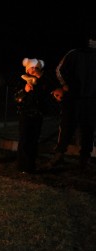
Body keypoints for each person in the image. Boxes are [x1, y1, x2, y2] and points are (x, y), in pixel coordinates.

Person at [48, 32, 96, 169]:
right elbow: (59, 70)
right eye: (91, 39)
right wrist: (64, 85)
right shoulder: (74, 53)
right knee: (67, 126)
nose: (92, 42)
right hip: (73, 98)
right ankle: (59, 155)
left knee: (88, 129)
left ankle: (84, 159)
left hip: (90, 99)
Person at [15, 58, 58, 173]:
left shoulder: (43, 81)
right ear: (27, 69)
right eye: (31, 68)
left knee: (34, 140)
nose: (34, 70)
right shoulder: (22, 80)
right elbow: (16, 97)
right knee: (24, 140)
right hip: (25, 114)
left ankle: (31, 165)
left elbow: (50, 91)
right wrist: (24, 91)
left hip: (38, 114)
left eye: (36, 68)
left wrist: (41, 79)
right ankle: (22, 166)